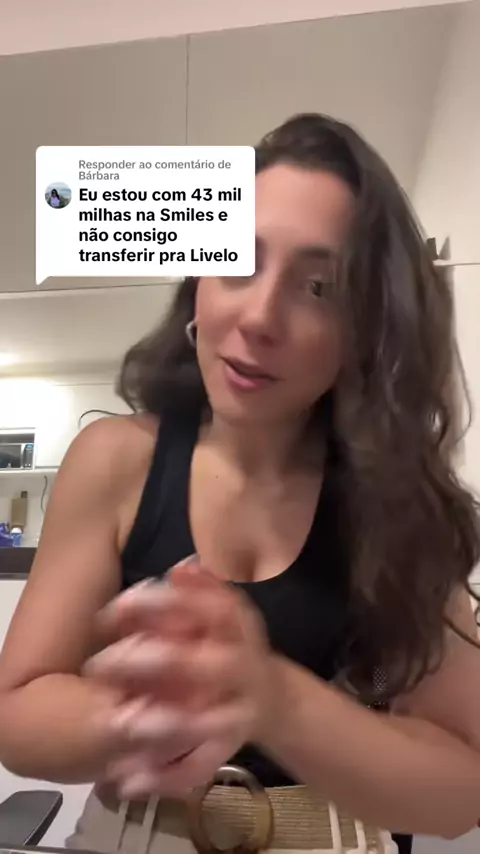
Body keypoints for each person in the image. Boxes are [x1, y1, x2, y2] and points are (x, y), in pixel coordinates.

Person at [0, 113, 480, 854]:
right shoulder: (115, 459)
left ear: (365, 328)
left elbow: (462, 791)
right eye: (236, 261)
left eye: (318, 286)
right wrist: (150, 714)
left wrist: (270, 695)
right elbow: (17, 717)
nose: (259, 317)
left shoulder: (395, 501)